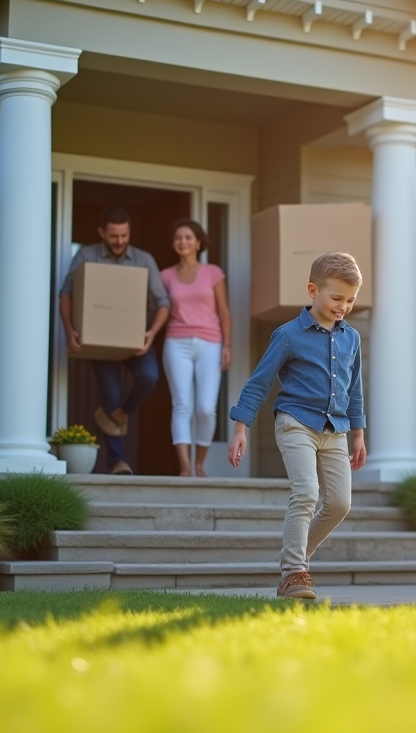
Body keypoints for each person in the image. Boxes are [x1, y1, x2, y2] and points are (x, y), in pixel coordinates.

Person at [227, 252, 367, 599]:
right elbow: (260, 381)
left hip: (336, 429)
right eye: (336, 298)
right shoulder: (289, 335)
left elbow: (355, 387)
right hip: (295, 422)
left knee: (339, 504)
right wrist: (240, 427)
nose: (343, 306)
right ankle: (294, 573)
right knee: (306, 492)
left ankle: (297, 556)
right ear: (312, 290)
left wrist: (359, 433)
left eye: (350, 300)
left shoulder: (352, 338)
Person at [59, 206, 170, 475]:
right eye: (113, 236)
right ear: (102, 233)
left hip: (137, 340)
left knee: (149, 377)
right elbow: (67, 293)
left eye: (124, 235)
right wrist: (69, 329)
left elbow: (163, 303)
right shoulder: (86, 255)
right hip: (101, 342)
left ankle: (124, 412)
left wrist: (151, 334)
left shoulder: (144, 260)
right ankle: (119, 461)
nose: (119, 241)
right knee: (111, 396)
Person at [160, 219, 232, 477]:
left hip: (211, 343)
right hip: (176, 342)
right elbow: (158, 309)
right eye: (178, 238)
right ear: (173, 244)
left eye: (188, 237)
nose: (183, 242)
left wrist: (227, 344)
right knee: (182, 405)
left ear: (198, 243)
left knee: (205, 408)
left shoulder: (213, 272)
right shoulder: (165, 276)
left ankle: (200, 463)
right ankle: (185, 466)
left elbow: (224, 311)